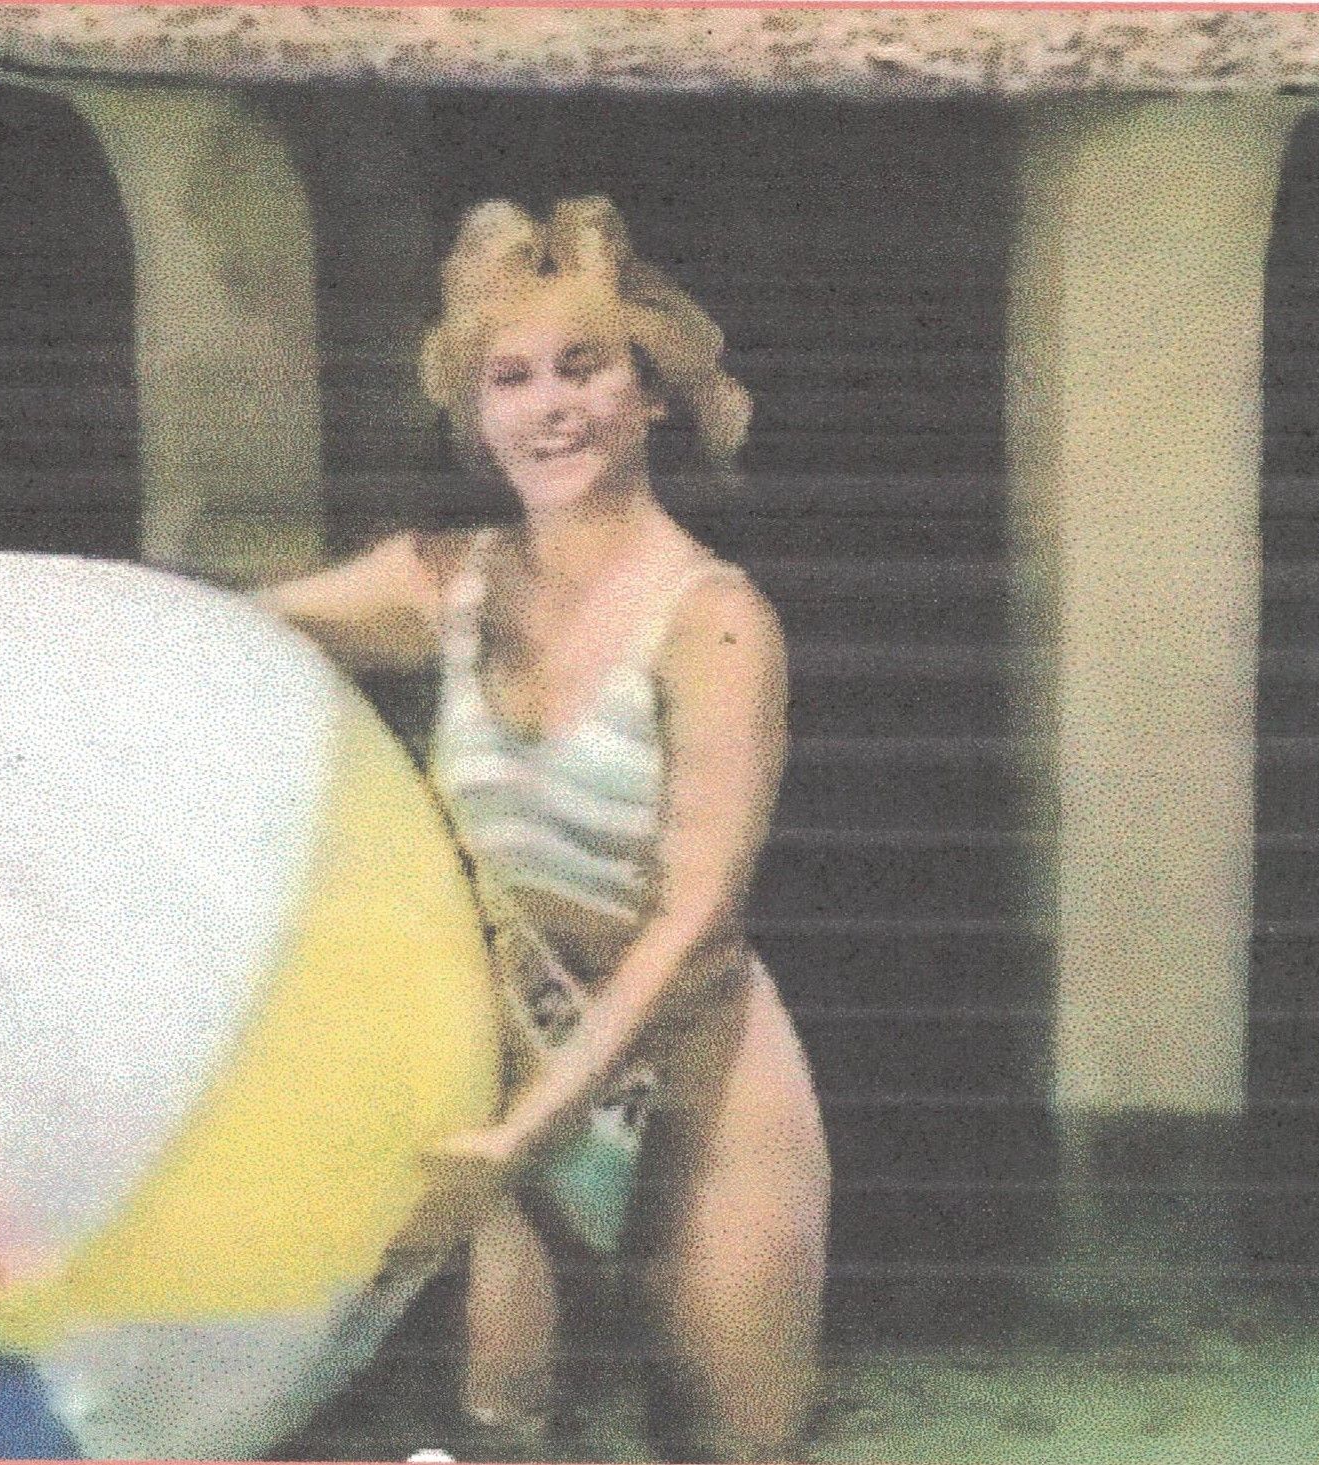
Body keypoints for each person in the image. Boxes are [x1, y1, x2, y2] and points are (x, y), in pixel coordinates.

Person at [262, 196, 829, 1462]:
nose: (549, 406)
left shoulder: (717, 619)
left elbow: (696, 921)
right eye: (510, 378)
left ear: (653, 394)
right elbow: (223, 627)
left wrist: (522, 1137)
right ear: (477, 415)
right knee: (497, 1440)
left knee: (726, 1452)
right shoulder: (441, 579)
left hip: (692, 1085)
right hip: (512, 1058)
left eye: (584, 366)